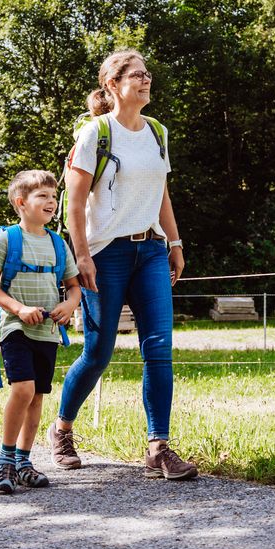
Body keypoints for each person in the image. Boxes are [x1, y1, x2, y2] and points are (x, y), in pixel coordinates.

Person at [49, 50, 197, 480]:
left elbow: (162, 192)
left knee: (160, 348)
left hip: (150, 250)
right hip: (105, 254)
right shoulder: (96, 133)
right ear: (113, 85)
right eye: (137, 75)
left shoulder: (157, 132)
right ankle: (62, 429)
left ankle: (158, 447)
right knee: (98, 353)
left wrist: (175, 242)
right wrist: (80, 257)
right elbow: (74, 203)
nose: (146, 80)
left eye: (148, 74)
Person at [0, 170, 82, 494]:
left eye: (53, 197)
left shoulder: (58, 243)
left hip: (48, 332)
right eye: (43, 196)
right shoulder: (6, 239)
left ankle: (24, 462)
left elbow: (74, 287)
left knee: (37, 395)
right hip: (14, 326)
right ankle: (4, 461)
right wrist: (19, 309)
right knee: (22, 389)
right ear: (21, 202)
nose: (51, 202)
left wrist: (70, 306)